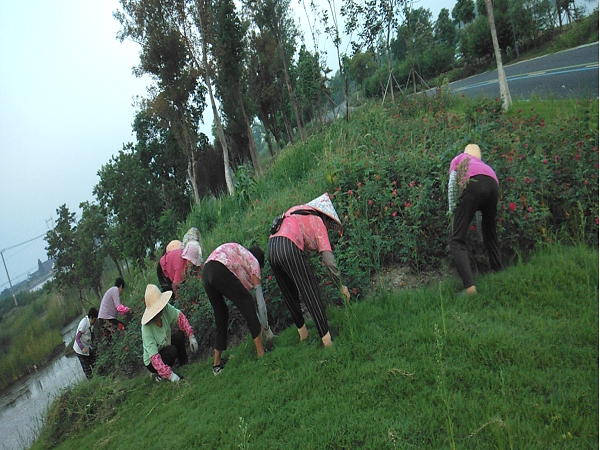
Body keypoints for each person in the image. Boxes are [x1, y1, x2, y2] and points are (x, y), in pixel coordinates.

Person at [267, 193, 350, 348]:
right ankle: (327, 342)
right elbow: (329, 262)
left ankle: (303, 334)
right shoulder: (319, 222)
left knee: (289, 292)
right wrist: (340, 285)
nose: (327, 227)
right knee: (310, 290)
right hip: (288, 246)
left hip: (271, 247)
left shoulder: (298, 210)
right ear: (326, 217)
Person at [202, 243, 271, 375]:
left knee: (221, 314)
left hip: (206, 272)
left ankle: (217, 365)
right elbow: (259, 303)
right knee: (247, 302)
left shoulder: (240, 260)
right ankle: (261, 353)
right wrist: (266, 328)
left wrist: (260, 323)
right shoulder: (254, 263)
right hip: (218, 268)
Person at [448, 144, 503, 295]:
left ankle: (470, 289)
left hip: (473, 183)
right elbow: (480, 210)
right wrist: (480, 234)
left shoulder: (459, 159)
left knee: (456, 239)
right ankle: (499, 273)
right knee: (490, 233)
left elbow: (452, 185)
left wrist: (453, 213)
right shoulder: (485, 166)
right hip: (493, 184)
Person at [141, 284, 198, 382]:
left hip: (165, 344)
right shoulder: (146, 328)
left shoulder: (166, 309)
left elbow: (180, 317)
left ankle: (184, 365)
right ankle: (160, 373)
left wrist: (191, 335)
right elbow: (154, 357)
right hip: (152, 361)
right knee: (172, 351)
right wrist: (171, 376)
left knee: (179, 336)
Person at [159, 228, 203, 298]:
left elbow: (199, 268)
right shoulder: (179, 267)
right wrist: (179, 298)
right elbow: (175, 285)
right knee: (170, 294)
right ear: (189, 260)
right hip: (163, 266)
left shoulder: (187, 256)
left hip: (173, 261)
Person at [73, 307, 99, 380]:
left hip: (87, 346)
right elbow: (77, 337)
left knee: (94, 362)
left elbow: (92, 334)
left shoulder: (91, 324)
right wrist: (82, 348)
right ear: (91, 318)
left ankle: (99, 377)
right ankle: (92, 382)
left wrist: (96, 341)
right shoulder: (83, 323)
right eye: (94, 319)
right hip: (80, 350)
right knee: (87, 369)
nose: (95, 321)